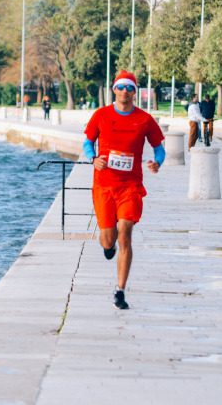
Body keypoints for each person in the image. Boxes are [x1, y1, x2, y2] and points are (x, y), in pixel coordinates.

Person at [83, 70, 165, 310]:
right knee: (108, 239)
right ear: (114, 90)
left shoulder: (145, 119)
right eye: (121, 87)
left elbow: (159, 147)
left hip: (130, 186)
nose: (125, 91)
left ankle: (120, 291)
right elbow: (88, 141)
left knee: (125, 234)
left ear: (135, 92)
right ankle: (108, 247)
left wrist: (157, 162)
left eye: (130, 88)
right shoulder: (101, 115)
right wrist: (92, 158)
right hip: (104, 185)